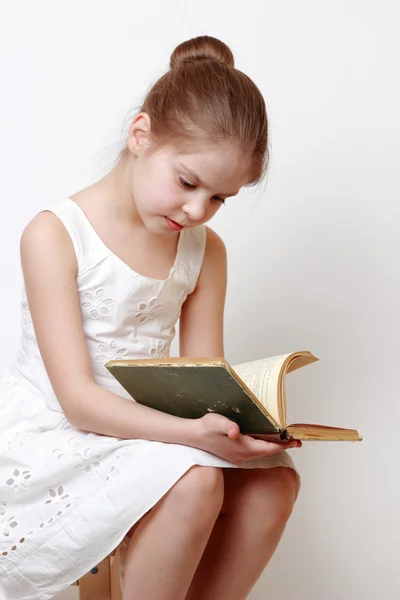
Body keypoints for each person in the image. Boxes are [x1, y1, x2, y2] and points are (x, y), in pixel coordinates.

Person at [0, 35, 301, 600]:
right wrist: (196, 437)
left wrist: (242, 425)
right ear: (141, 135)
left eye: (219, 199)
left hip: (153, 429)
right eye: (188, 183)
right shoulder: (54, 235)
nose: (197, 211)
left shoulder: (205, 251)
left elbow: (197, 381)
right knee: (195, 479)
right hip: (61, 430)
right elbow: (78, 401)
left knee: (275, 486)